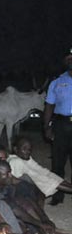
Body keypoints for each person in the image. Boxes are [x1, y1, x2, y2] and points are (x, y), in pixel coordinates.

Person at [0, 161, 66, 234]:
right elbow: (15, 211)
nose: (10, 175)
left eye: (10, 172)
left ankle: (45, 232)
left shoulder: (2, 181)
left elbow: (25, 199)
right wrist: (40, 224)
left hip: (6, 212)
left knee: (24, 195)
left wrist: (44, 219)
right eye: (6, 174)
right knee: (18, 220)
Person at [43, 47, 72, 205]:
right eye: (68, 59)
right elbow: (49, 105)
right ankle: (58, 195)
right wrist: (46, 127)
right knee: (58, 163)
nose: (70, 61)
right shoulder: (57, 82)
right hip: (61, 124)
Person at [7, 136, 72, 201]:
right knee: (49, 181)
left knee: (52, 177)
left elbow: (41, 170)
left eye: (29, 149)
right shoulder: (15, 161)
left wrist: (56, 178)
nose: (28, 152)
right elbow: (17, 182)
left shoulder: (25, 158)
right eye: (24, 149)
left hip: (37, 181)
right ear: (16, 149)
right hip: (28, 188)